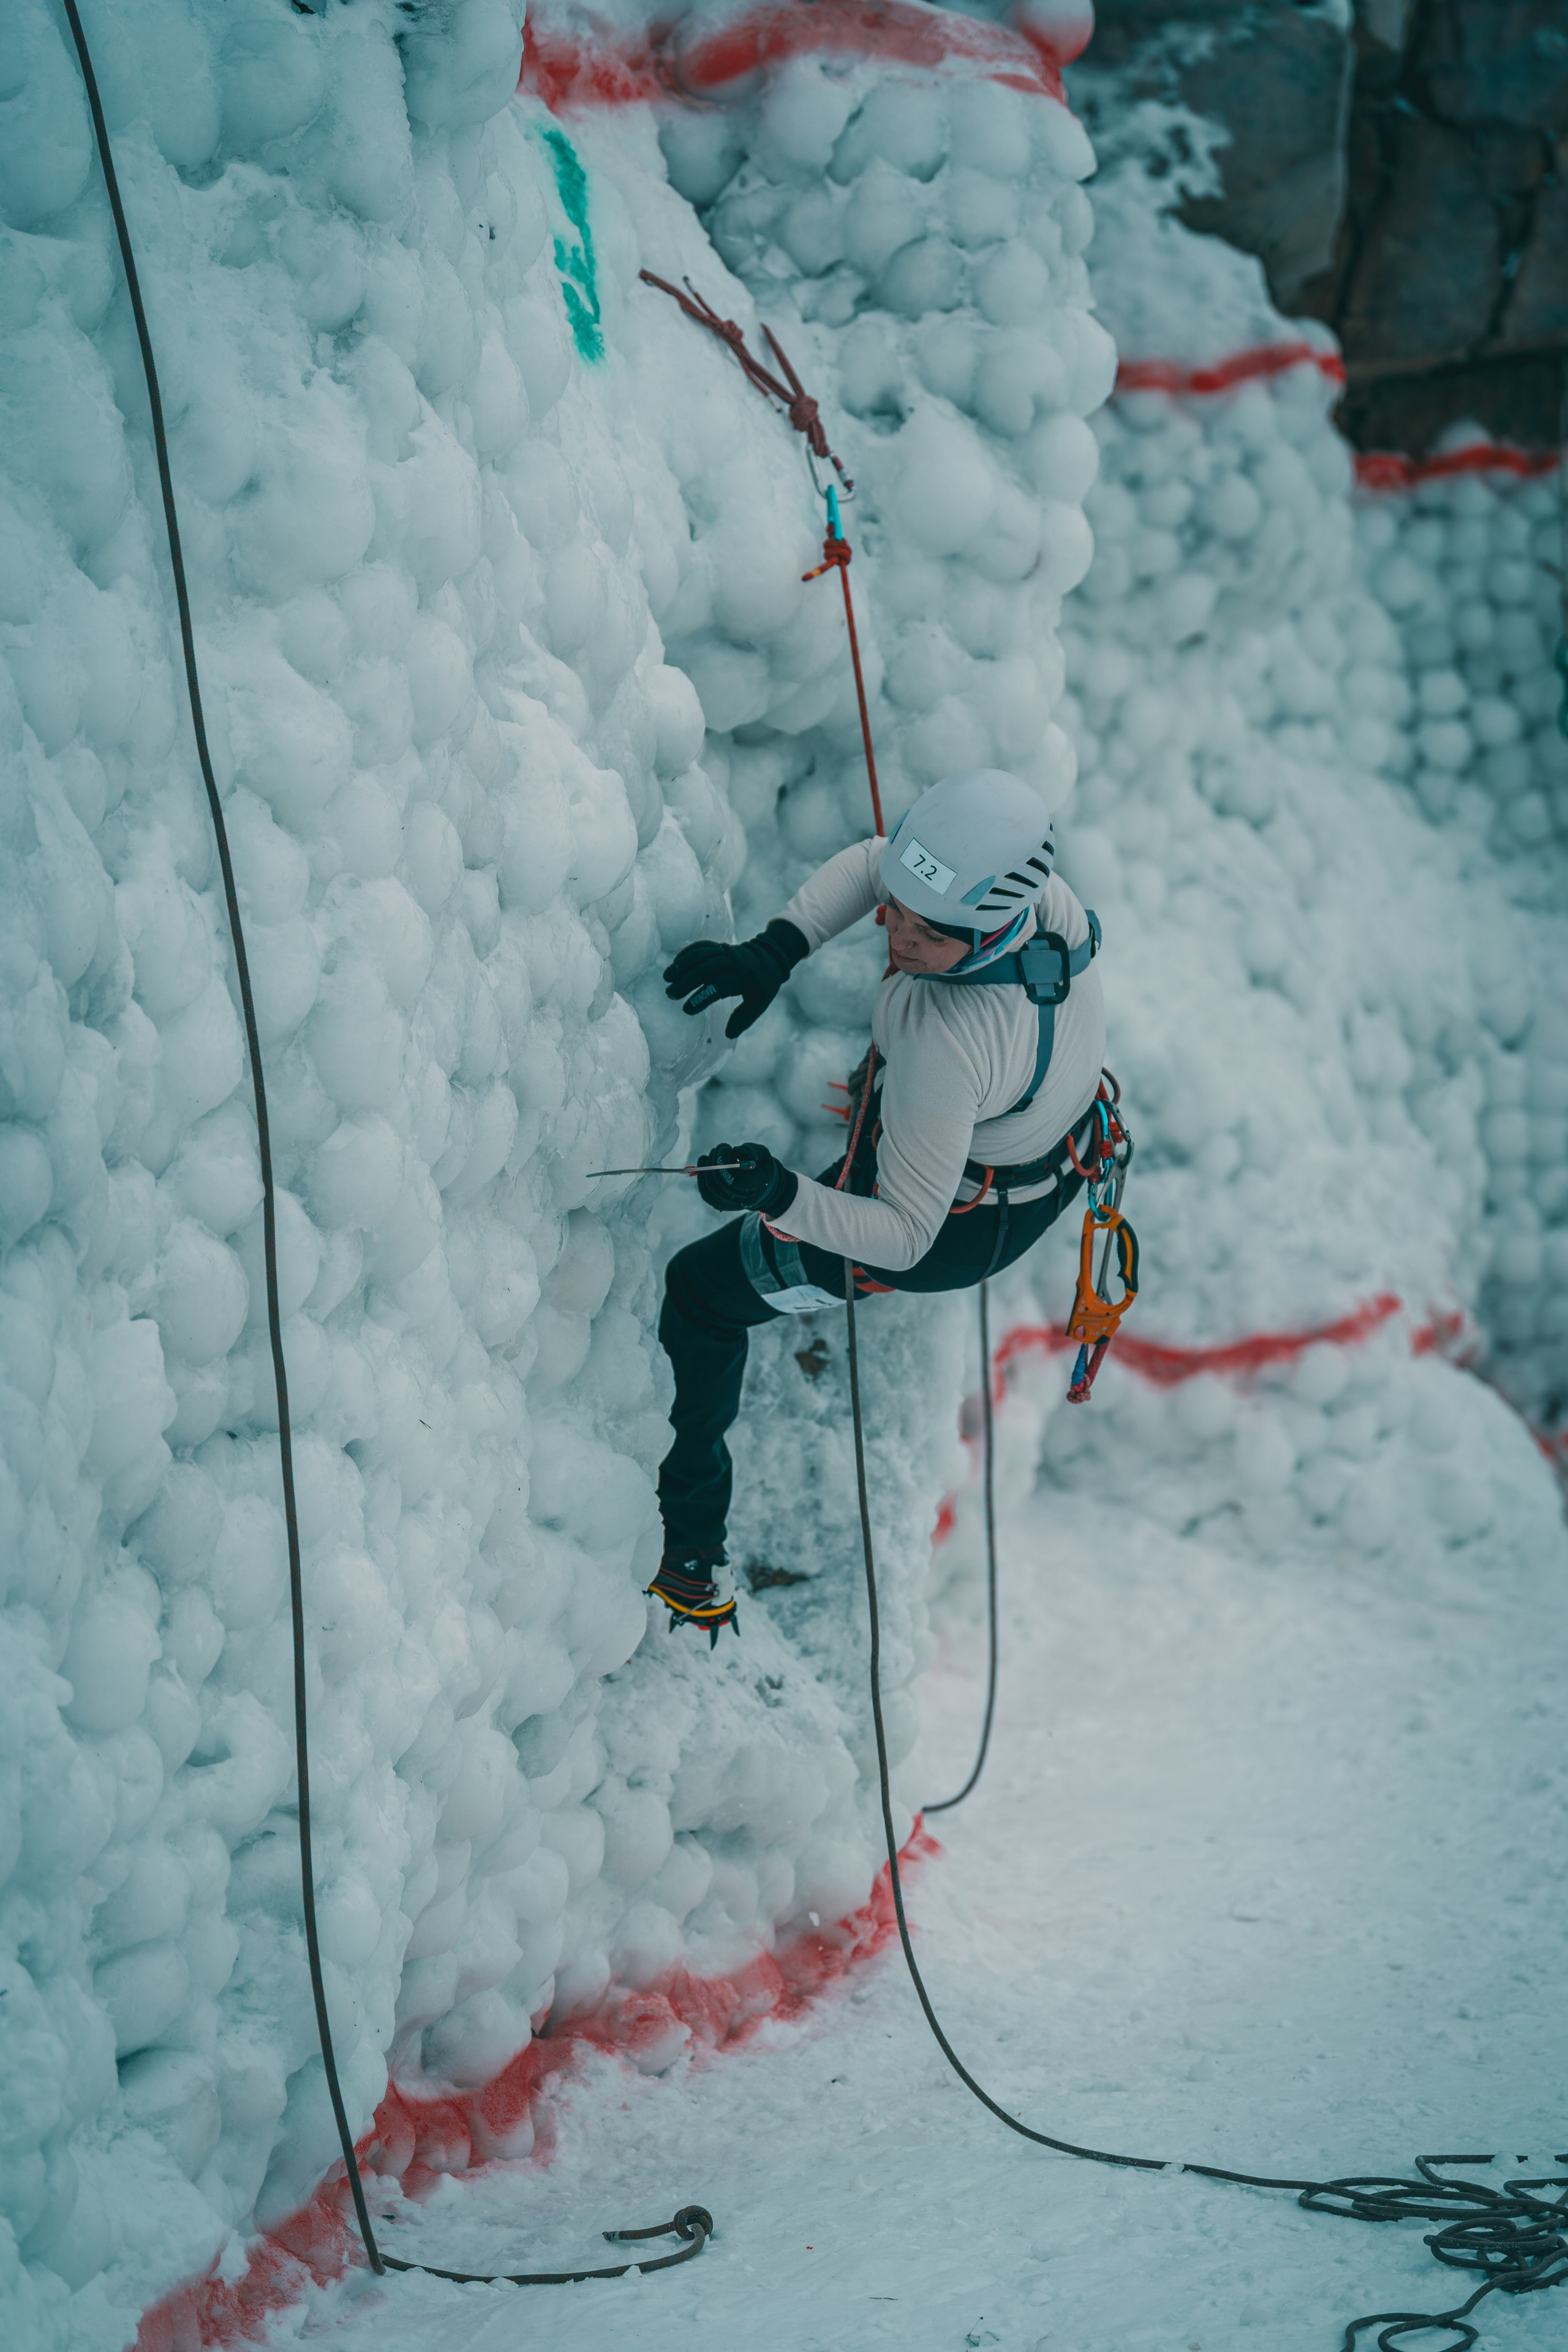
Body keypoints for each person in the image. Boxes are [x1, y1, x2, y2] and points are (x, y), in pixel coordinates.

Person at [649, 767, 1106, 1644]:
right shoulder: (1041, 903)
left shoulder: (945, 1042)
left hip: (956, 1228)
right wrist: (775, 951)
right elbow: (877, 865)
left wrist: (780, 1194)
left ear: (986, 928)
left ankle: (691, 1554)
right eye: (896, 907)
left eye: (925, 933)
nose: (893, 932)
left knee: (702, 1294)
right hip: (1032, 1147)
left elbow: (901, 1236)